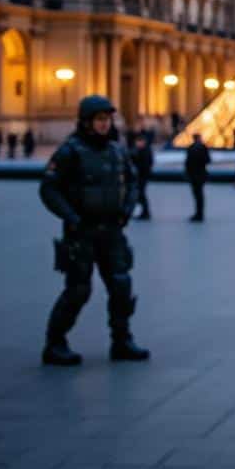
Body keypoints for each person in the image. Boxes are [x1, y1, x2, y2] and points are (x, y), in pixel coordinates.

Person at [39, 95, 150, 366]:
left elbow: (133, 181)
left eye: (107, 119)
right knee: (78, 290)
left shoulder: (117, 150)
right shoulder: (70, 151)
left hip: (112, 229)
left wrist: (127, 209)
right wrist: (71, 218)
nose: (104, 124)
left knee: (121, 285)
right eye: (100, 119)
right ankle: (55, 342)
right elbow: (48, 188)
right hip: (82, 231)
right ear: (87, 122)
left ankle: (121, 340)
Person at [184, 133, 210, 222]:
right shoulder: (203, 147)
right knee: (199, 195)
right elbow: (208, 160)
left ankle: (198, 214)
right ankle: (200, 214)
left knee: (197, 195)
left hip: (193, 175)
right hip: (200, 174)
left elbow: (187, 162)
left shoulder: (190, 148)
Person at [131, 133, 154, 220]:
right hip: (142, 176)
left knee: (141, 194)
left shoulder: (144, 151)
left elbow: (144, 164)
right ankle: (144, 212)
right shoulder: (141, 150)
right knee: (141, 194)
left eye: (138, 142)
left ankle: (146, 212)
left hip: (142, 176)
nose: (137, 143)